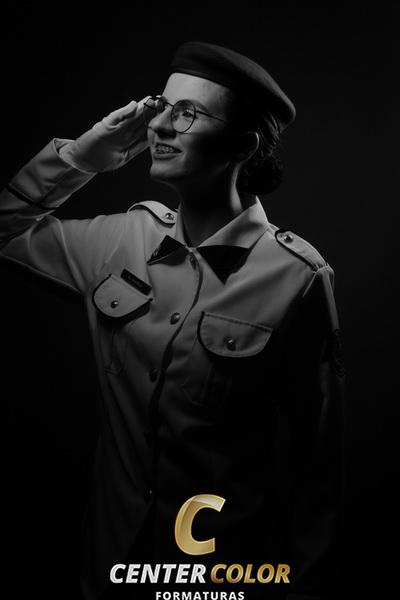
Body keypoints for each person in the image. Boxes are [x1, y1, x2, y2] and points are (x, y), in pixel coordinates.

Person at [0, 41, 345, 600]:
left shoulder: (298, 278)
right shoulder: (121, 239)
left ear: (243, 145)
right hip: (109, 571)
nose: (158, 126)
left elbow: (318, 467)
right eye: (162, 106)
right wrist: (83, 157)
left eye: (187, 113)